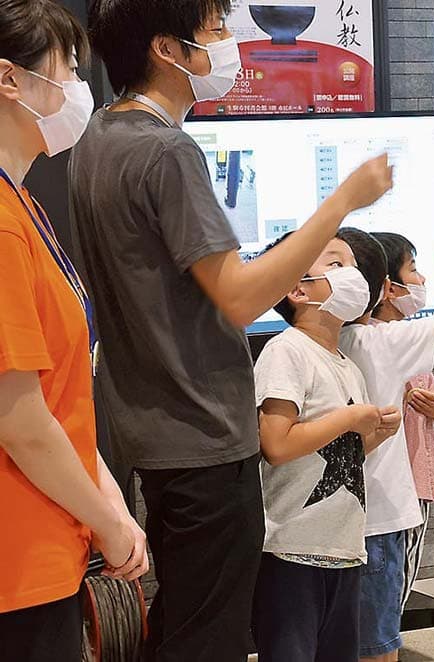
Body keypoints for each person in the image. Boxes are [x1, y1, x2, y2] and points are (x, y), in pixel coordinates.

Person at [72, 2, 393, 659]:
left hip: (154, 432)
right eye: (217, 29)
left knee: (186, 621)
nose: (228, 43)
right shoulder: (166, 149)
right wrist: (342, 204)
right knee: (207, 637)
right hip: (203, 439)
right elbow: (241, 299)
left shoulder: (100, 137)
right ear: (169, 48)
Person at [0, 3, 149, 659]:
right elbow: (21, 420)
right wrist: (110, 525)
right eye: (64, 69)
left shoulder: (24, 203)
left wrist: (111, 511)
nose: (76, 89)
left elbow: (61, 398)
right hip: (18, 558)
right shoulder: (3, 224)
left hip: (49, 542)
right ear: (11, 79)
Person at [251, 232, 401, 662]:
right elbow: (276, 444)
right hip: (291, 548)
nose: (352, 275)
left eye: (351, 264)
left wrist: (374, 436)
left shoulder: (345, 365)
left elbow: (333, 461)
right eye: (335, 266)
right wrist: (350, 418)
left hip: (342, 547)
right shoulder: (286, 351)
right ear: (297, 289)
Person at [334, 227, 434, 662]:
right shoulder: (378, 340)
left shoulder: (320, 342)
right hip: (378, 520)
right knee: (378, 644)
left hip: (336, 524)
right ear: (383, 288)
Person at [370, 231, 434, 607]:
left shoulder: (406, 339)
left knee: (395, 583)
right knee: (390, 590)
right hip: (397, 487)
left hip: (414, 479)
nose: (422, 280)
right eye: (413, 269)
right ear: (388, 287)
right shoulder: (383, 339)